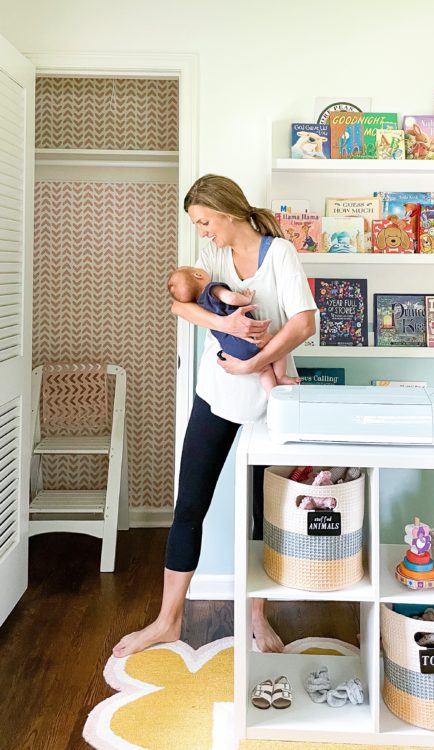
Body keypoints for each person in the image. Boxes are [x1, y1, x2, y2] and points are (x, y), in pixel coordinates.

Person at [113, 174, 317, 658]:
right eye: (197, 225)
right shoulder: (214, 258)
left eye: (205, 221)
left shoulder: (279, 254)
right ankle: (168, 621)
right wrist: (225, 323)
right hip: (217, 392)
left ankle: (256, 618)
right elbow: (180, 304)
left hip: (269, 401)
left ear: (227, 211)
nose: (203, 231)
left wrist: (252, 362)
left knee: (263, 516)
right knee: (190, 505)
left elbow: (304, 322)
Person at [167, 265, 300, 394]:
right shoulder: (211, 289)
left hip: (232, 349)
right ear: (198, 275)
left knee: (264, 369)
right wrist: (246, 298)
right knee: (278, 346)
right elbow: (231, 298)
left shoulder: (199, 306)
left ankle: (271, 394)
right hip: (248, 338)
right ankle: (281, 376)